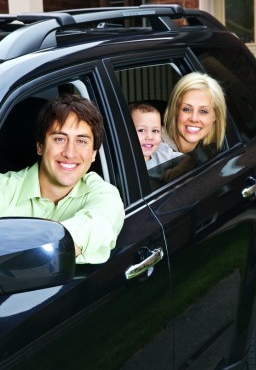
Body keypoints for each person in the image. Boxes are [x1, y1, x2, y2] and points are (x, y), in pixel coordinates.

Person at [0, 93, 125, 264]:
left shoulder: (104, 195)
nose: (70, 153)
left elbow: (94, 227)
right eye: (59, 139)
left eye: (81, 141)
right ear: (40, 146)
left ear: (94, 154)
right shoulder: (5, 187)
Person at [163, 72, 227, 154]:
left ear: (216, 116)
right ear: (175, 110)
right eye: (186, 109)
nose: (194, 119)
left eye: (203, 111)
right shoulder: (151, 147)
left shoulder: (215, 152)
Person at [129, 102, 182, 169]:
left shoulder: (162, 151)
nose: (150, 137)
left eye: (155, 131)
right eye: (141, 130)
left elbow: (187, 159)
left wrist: (177, 170)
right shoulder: (121, 164)